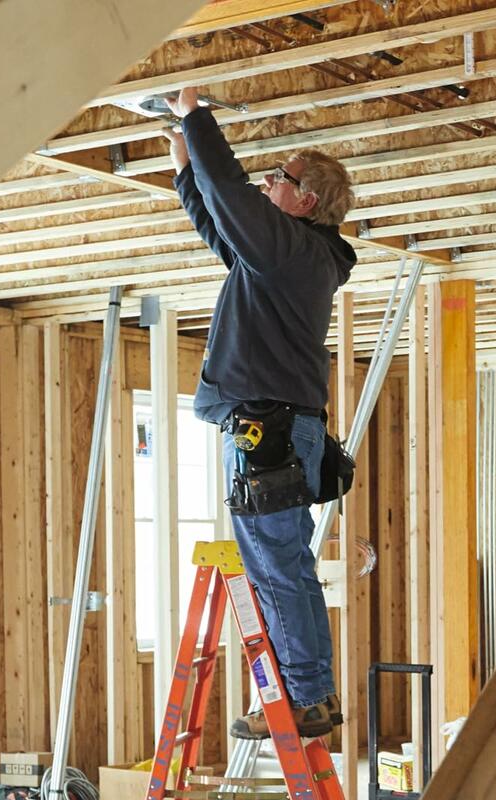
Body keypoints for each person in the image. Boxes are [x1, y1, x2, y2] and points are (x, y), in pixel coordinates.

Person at [164, 86, 357, 740]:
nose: (271, 184)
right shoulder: (278, 261)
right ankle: (298, 691)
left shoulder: (294, 252)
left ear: (307, 201)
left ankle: (306, 695)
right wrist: (189, 167)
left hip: (266, 430)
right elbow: (219, 220)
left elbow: (234, 196)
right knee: (277, 564)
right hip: (267, 427)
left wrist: (197, 119)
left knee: (278, 566)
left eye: (283, 179)